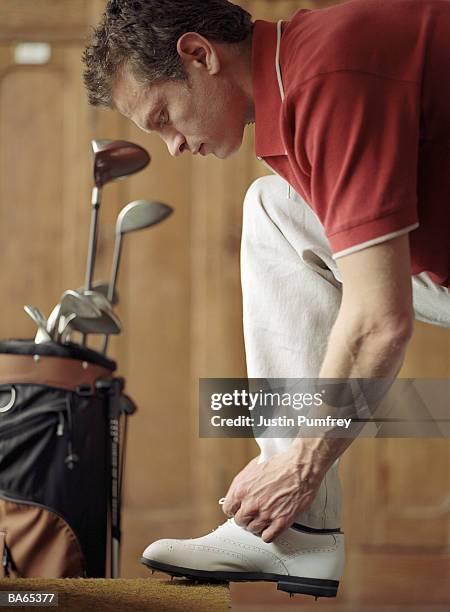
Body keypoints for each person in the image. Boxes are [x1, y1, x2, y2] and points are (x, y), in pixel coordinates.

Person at [83, 0, 450, 598]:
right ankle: (296, 533)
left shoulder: (331, 76)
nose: (173, 146)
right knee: (273, 210)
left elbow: (381, 321)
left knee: (275, 213)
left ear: (200, 55)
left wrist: (301, 466)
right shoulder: (308, 66)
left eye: (164, 117)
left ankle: (295, 510)